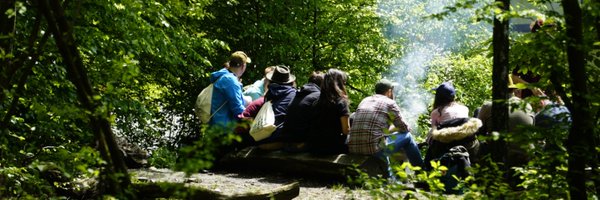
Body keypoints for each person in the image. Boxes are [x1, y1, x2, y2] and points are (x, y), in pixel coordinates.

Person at [347, 79, 423, 178]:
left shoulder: (365, 100)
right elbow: (404, 128)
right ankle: (422, 173)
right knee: (407, 137)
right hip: (373, 149)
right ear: (389, 91)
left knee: (383, 141)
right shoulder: (390, 103)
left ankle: (392, 177)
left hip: (353, 147)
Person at [239, 65, 297, 149]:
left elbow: (242, 118)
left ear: (271, 81)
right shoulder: (294, 95)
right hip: (282, 139)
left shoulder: (268, 96)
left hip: (262, 138)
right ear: (290, 82)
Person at [307, 69, 350, 154]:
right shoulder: (341, 102)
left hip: (314, 148)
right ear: (340, 84)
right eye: (344, 82)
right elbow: (346, 130)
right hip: (331, 148)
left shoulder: (316, 102)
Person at [280, 71, 324, 152]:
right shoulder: (318, 96)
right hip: (300, 145)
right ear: (323, 85)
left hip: (285, 144)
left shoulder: (297, 94)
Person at [209, 51, 251, 128]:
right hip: (223, 128)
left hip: (215, 124)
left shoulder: (224, 76)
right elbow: (238, 109)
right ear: (243, 66)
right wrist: (252, 119)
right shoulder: (230, 81)